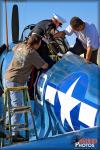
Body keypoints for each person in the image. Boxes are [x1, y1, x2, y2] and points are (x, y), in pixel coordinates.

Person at [5, 34, 48, 142]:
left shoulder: (20, 46)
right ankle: (15, 133)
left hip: (8, 77)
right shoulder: (32, 53)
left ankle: (7, 123)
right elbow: (44, 66)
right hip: (16, 81)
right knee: (18, 106)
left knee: (10, 103)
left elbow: (14, 49)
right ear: (37, 44)